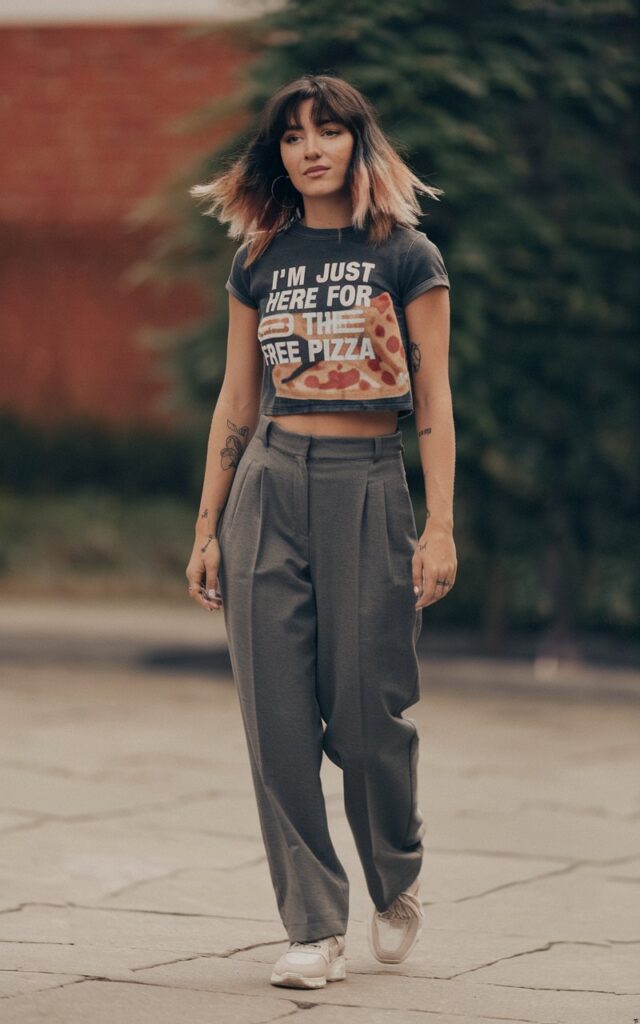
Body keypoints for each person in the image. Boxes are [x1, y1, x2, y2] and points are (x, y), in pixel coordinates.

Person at [186, 73, 456, 990]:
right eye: (295, 135)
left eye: (329, 131)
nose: (311, 147)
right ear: (280, 153)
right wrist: (208, 524)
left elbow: (435, 401)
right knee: (277, 721)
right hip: (268, 481)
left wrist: (441, 525)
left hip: (368, 487)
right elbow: (234, 397)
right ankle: (311, 922)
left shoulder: (405, 255)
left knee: (370, 716)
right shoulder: (259, 257)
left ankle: (397, 870)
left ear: (356, 144)